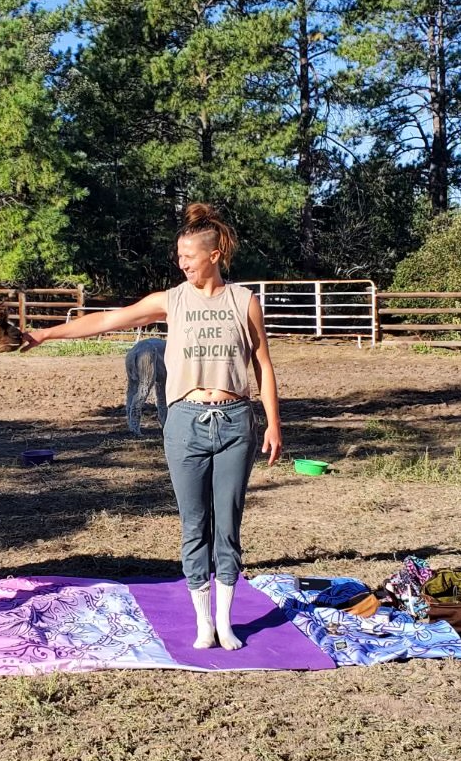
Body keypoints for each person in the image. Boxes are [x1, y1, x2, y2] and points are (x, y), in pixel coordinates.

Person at [25, 203, 283, 650]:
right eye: (179, 256)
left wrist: (273, 425)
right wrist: (46, 333)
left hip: (237, 421)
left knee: (228, 525)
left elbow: (263, 363)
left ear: (216, 254)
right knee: (193, 522)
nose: (182, 263)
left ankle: (226, 622)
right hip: (185, 421)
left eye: (189, 256)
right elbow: (109, 319)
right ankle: (204, 623)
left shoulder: (244, 301)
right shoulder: (171, 300)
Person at [123, 336, 167, 436]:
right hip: (147, 353)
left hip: (133, 352)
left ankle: (132, 425)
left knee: (133, 390)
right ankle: (134, 426)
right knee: (143, 388)